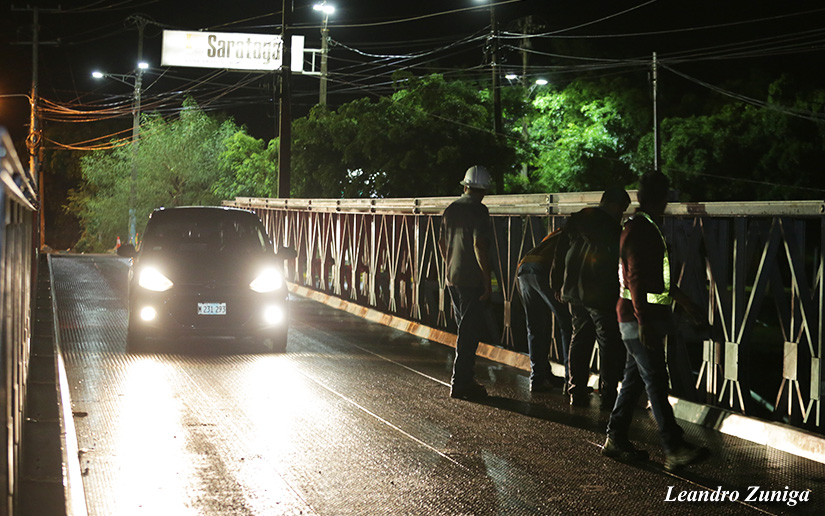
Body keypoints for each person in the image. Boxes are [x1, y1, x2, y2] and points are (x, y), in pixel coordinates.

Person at [602, 172, 710, 471]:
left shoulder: (643, 227)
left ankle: (615, 437)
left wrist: (684, 301)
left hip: (635, 316)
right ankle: (673, 446)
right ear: (664, 199)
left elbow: (652, 278)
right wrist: (644, 321)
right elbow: (636, 278)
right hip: (638, 319)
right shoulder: (643, 230)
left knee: (635, 380)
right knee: (656, 378)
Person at [555, 187, 631, 409]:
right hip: (599, 293)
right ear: (615, 206)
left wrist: (557, 283)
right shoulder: (612, 228)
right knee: (608, 342)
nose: (622, 214)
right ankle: (608, 394)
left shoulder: (579, 220)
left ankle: (576, 390)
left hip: (574, 291)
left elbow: (560, 251)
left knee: (579, 338)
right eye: (622, 210)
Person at [439, 165, 493, 400]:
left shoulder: (451, 209)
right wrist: (487, 279)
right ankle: (461, 382)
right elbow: (479, 244)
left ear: (465, 186)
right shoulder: (480, 211)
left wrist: (450, 264)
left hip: (453, 277)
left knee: (463, 327)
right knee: (469, 332)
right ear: (484, 190)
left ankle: (463, 378)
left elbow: (442, 243)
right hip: (472, 279)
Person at [517, 228, 572, 393]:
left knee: (535, 325)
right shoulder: (581, 233)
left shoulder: (558, 232)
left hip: (524, 266)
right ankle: (572, 380)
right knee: (567, 323)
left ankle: (538, 377)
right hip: (544, 269)